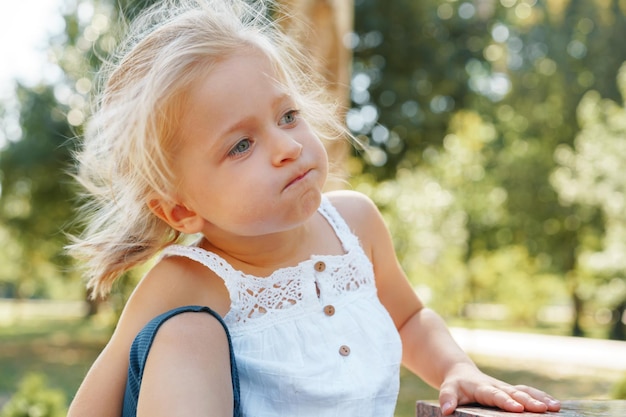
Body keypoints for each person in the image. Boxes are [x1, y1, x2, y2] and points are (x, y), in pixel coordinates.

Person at [66, 0, 562, 416]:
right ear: (180, 212)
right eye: (240, 145)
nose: (286, 146)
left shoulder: (356, 223)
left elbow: (408, 319)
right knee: (185, 333)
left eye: (287, 115)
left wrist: (458, 367)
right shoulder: (189, 280)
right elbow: (93, 408)